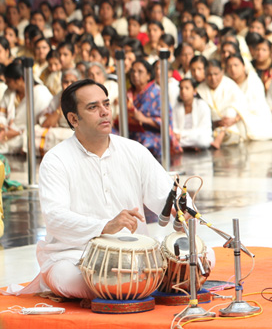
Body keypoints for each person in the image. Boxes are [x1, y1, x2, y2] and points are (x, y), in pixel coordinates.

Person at [31, 79, 173, 299]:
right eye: (93, 107)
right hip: (75, 256)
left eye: (106, 104)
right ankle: (141, 286)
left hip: (136, 257)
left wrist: (182, 212)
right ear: (73, 119)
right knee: (71, 278)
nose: (105, 112)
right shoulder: (56, 160)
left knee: (202, 257)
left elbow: (166, 196)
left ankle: (130, 286)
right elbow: (55, 219)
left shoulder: (134, 151)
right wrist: (105, 226)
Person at [126, 58, 180, 158]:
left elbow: (166, 123)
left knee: (142, 143)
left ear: (149, 75)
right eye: (133, 71)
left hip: (153, 134)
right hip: (130, 132)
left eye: (140, 72)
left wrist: (144, 119)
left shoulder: (157, 94)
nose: (135, 74)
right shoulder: (128, 94)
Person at [0, 60, 53, 154]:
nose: (6, 84)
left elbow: (44, 122)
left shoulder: (41, 93)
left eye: (8, 81)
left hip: (28, 134)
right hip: (7, 132)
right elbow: (2, 115)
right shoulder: (9, 91)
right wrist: (3, 128)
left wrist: (18, 132)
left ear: (20, 79)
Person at [172, 78, 213, 149]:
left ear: (194, 90)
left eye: (187, 88)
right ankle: (190, 146)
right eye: (181, 88)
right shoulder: (176, 107)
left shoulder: (202, 105)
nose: (183, 91)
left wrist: (181, 135)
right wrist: (177, 135)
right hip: (181, 138)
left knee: (203, 140)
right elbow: (174, 127)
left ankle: (182, 145)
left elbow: (202, 130)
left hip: (196, 137)